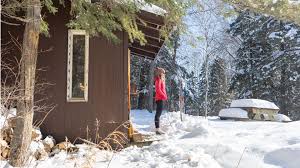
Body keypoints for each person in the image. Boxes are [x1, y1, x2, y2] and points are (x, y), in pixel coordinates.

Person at [154, 67, 168, 135]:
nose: (164, 74)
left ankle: (158, 129)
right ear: (160, 73)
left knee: (158, 114)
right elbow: (158, 89)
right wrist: (163, 96)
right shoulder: (158, 80)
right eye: (163, 73)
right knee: (158, 114)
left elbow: (162, 89)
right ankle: (157, 129)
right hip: (159, 98)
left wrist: (164, 95)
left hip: (161, 98)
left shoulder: (160, 80)